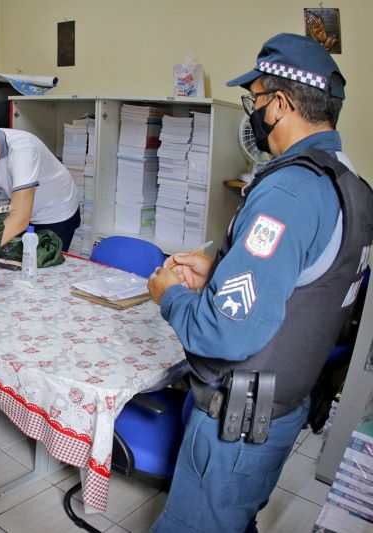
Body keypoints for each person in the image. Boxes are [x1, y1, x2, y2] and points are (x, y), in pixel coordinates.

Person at [147, 34, 373, 532]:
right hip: (278, 409)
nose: (253, 111)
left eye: (256, 98)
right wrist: (219, 273)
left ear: (282, 103)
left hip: (236, 421)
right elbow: (306, 284)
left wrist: (172, 296)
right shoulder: (348, 184)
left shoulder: (288, 193)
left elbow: (222, 333)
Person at [0, 112, 81, 250]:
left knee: (44, 264)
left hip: (56, 210)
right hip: (21, 210)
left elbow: (19, 220)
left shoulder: (23, 149)